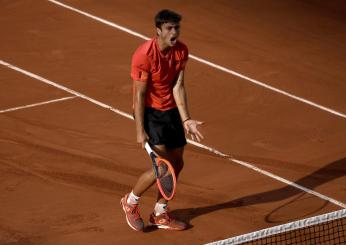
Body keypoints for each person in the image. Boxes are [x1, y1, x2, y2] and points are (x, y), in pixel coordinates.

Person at [120, 9, 204, 231]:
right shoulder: (144, 55)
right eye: (169, 28)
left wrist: (186, 119)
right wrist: (140, 130)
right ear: (158, 30)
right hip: (149, 114)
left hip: (171, 112)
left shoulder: (181, 51)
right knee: (163, 168)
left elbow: (178, 85)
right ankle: (130, 202)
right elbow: (139, 94)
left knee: (177, 163)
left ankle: (159, 213)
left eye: (177, 27)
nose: (174, 32)